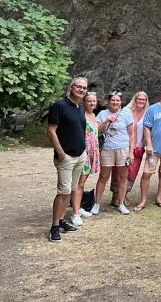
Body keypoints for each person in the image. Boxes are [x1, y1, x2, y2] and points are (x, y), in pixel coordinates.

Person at [46, 77, 87, 242]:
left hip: (79, 155)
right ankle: (54, 227)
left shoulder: (80, 108)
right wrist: (61, 152)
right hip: (66, 157)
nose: (81, 90)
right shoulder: (59, 106)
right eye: (78, 87)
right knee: (63, 193)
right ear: (71, 87)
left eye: (84, 88)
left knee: (71, 190)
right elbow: (51, 131)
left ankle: (62, 222)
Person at [92, 90, 135, 215]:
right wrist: (106, 121)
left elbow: (132, 135)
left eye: (117, 100)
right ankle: (97, 204)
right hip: (107, 148)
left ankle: (121, 203)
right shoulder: (102, 114)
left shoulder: (126, 113)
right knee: (103, 177)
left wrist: (131, 152)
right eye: (113, 100)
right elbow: (96, 131)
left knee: (123, 177)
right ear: (109, 101)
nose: (115, 102)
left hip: (123, 148)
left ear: (121, 102)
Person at [108, 91, 149, 204]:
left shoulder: (147, 113)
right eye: (139, 99)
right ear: (134, 100)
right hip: (124, 146)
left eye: (143, 100)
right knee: (118, 171)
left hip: (138, 147)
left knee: (132, 172)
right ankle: (115, 195)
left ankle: (124, 194)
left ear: (146, 102)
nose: (141, 101)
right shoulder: (126, 111)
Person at [71, 91, 101, 226]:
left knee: (82, 183)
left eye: (94, 101)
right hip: (83, 153)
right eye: (89, 101)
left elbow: (95, 132)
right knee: (79, 183)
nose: (92, 103)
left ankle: (78, 207)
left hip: (92, 152)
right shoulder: (80, 114)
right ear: (84, 101)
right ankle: (75, 213)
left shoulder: (93, 115)